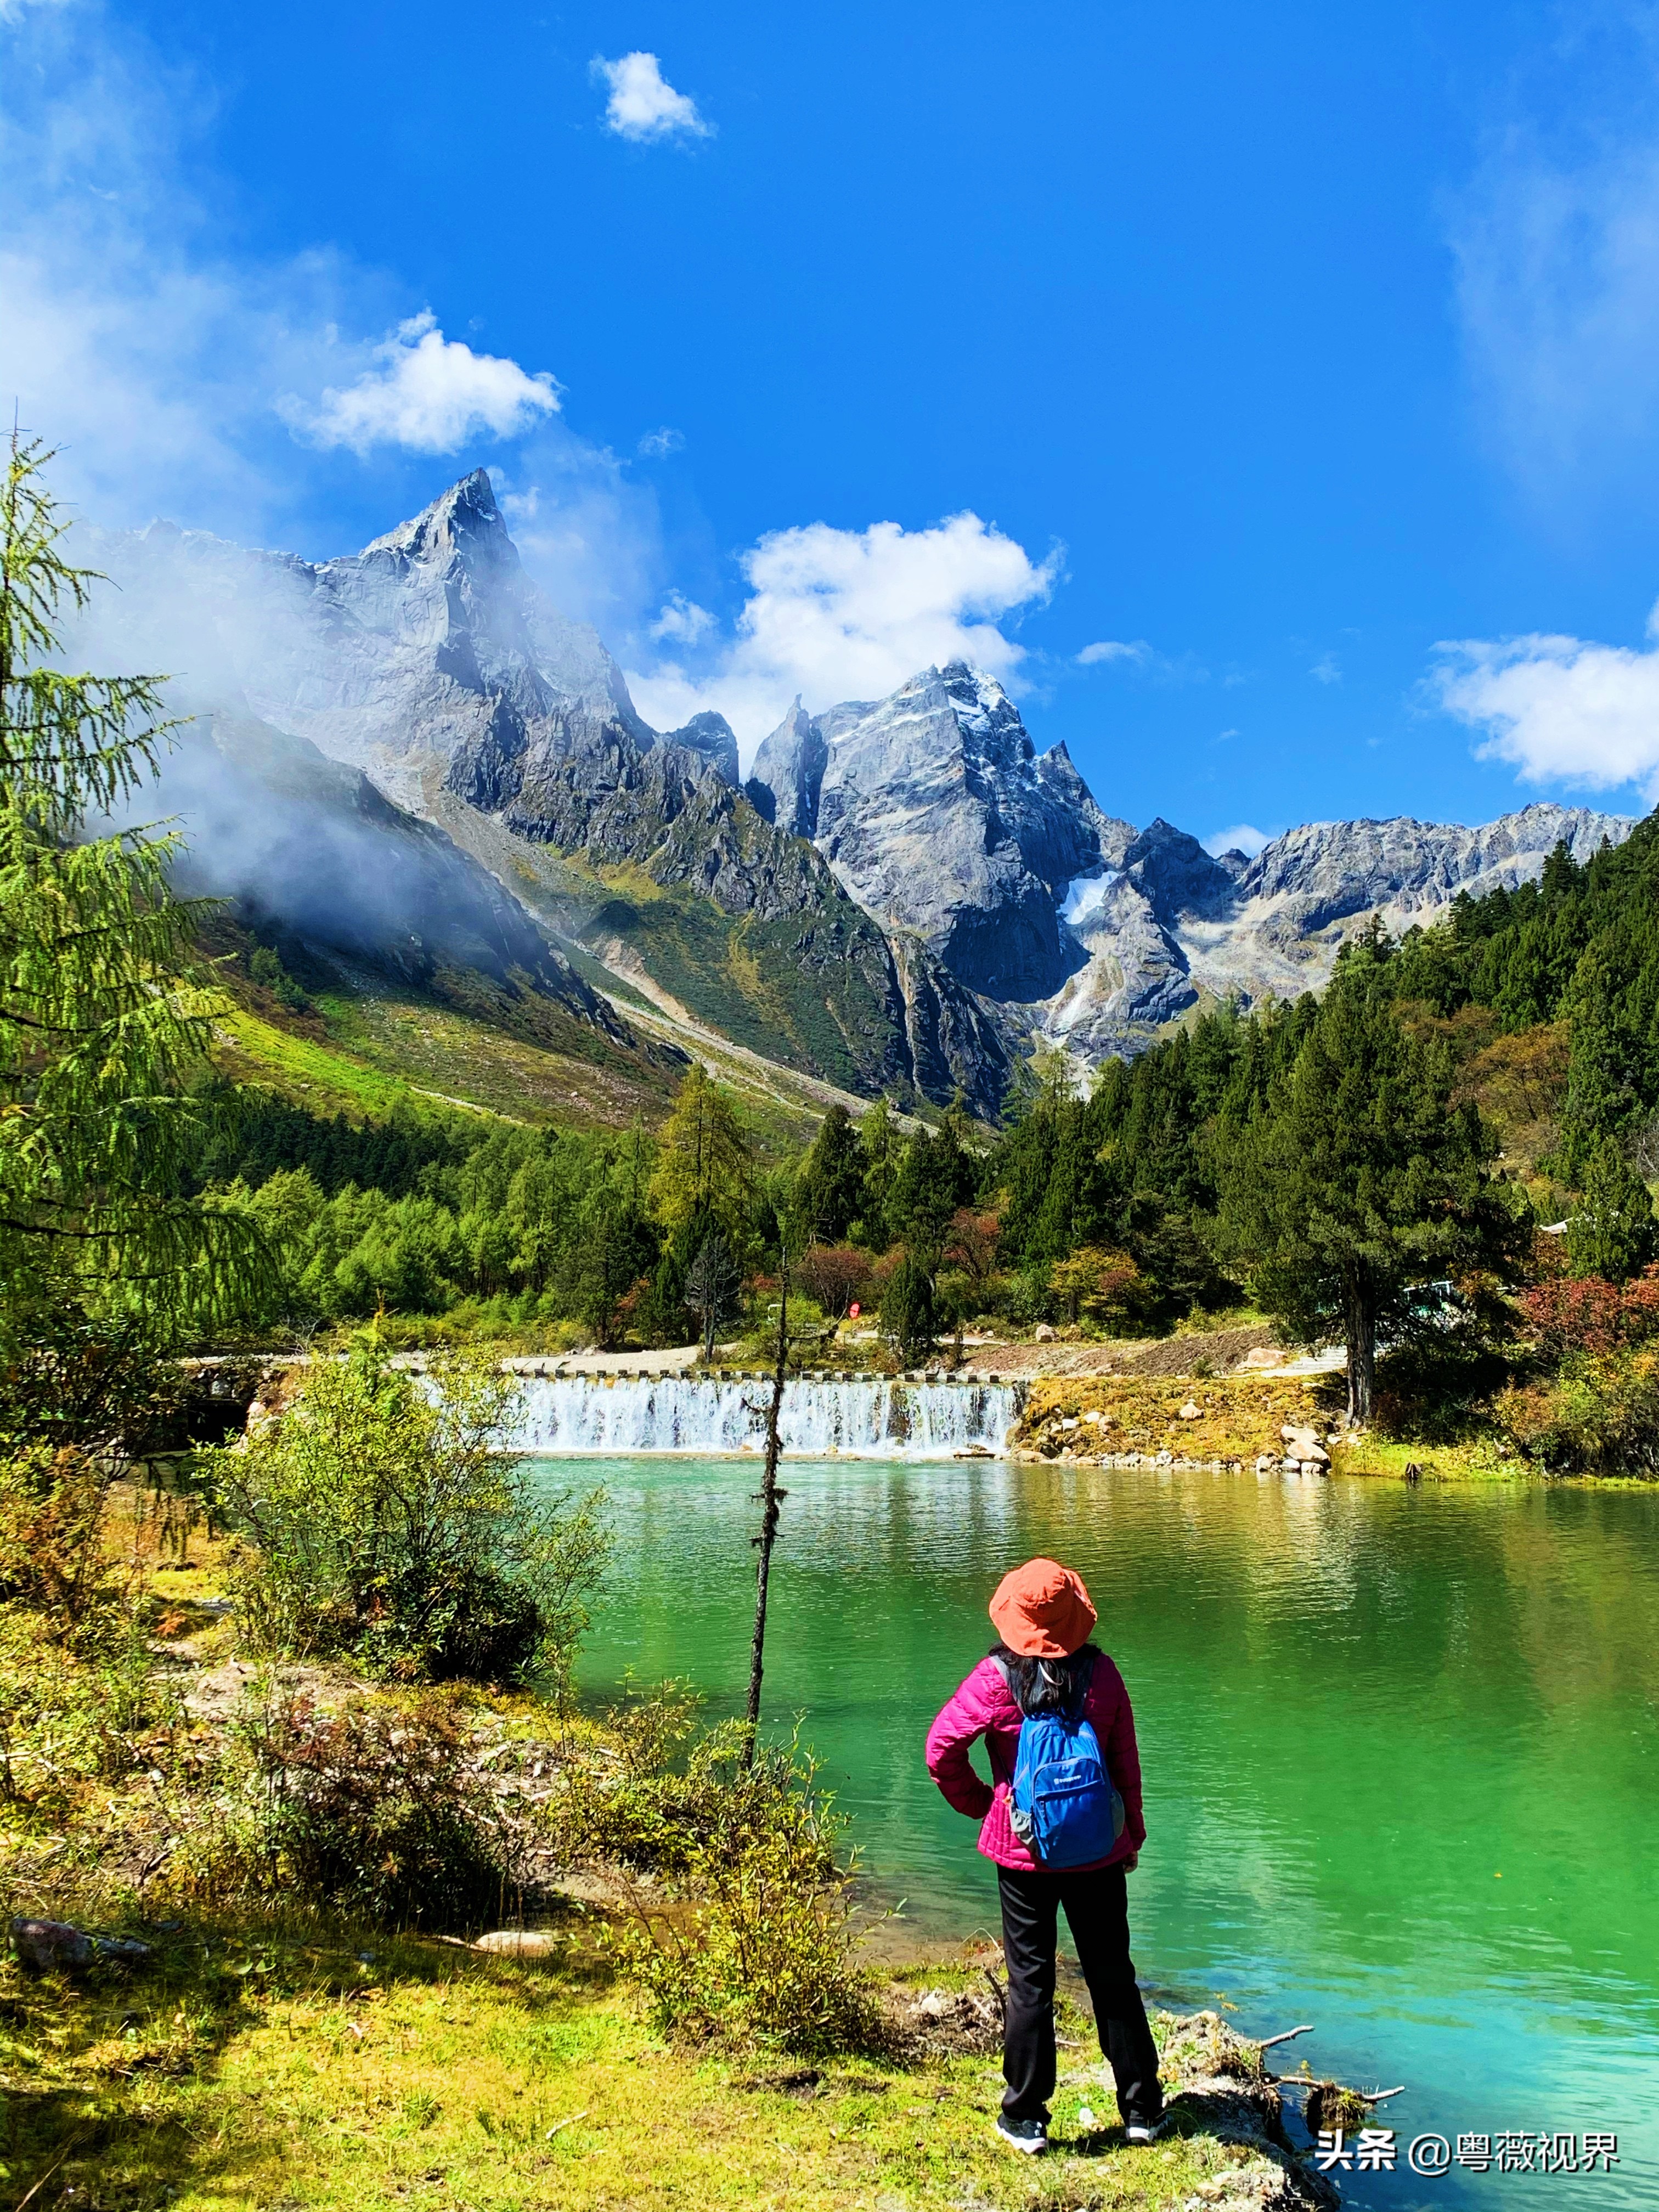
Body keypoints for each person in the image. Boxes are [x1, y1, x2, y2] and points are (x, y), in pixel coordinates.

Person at [924, 1555, 1167, 2157]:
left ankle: (1026, 2119)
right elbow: (1125, 1765)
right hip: (1098, 1852)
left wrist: (984, 1803)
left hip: (1022, 1853)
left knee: (1030, 1981)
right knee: (1112, 1975)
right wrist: (1132, 1836)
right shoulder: (1103, 1675)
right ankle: (1142, 2111)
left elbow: (941, 1750)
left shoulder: (993, 1679)